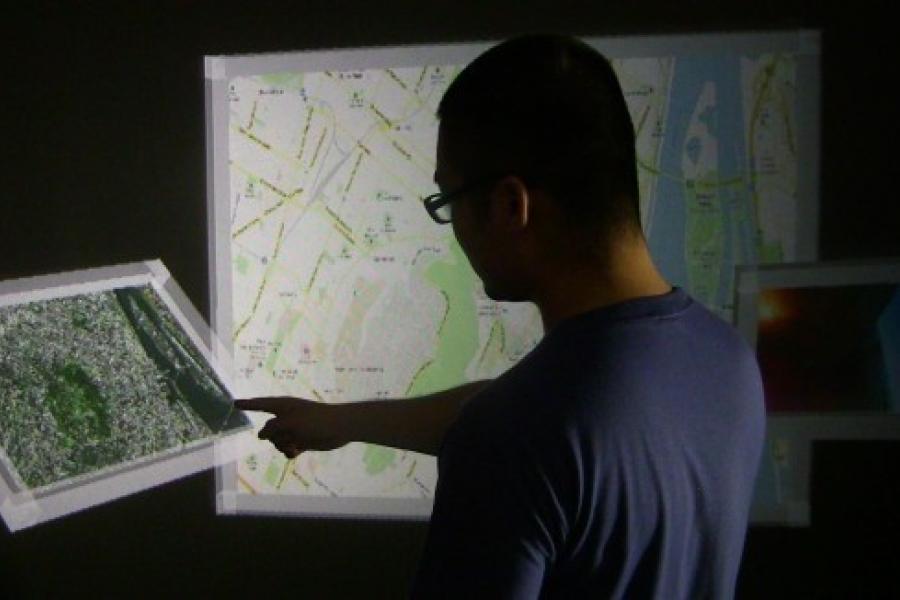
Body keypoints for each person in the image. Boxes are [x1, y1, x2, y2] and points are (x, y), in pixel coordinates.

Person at [236, 34, 765, 599]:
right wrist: (343, 422)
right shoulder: (725, 358)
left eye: (448, 201)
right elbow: (548, 423)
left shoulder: (513, 436)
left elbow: (520, 431)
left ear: (511, 205)